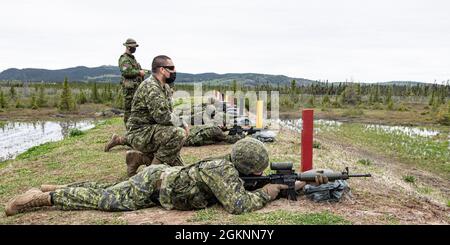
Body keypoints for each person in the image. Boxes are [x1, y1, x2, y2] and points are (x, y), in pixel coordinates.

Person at [5, 138, 328, 216]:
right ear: (245, 165)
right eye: (257, 170)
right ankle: (42, 198)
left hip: (163, 176)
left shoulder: (231, 168)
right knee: (109, 200)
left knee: (107, 189)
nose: (259, 175)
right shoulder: (221, 170)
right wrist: (271, 191)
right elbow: (238, 206)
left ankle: (59, 186)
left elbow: (244, 186)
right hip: (154, 185)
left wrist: (296, 182)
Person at [123, 55, 188, 176]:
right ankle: (151, 176)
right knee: (178, 134)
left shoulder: (165, 87)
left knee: (182, 172)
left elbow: (169, 112)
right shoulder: (151, 86)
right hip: (140, 133)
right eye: (172, 68)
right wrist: (182, 124)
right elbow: (162, 117)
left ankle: (138, 158)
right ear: (162, 69)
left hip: (152, 131)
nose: (174, 71)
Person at [104, 38, 147, 152]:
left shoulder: (132, 59)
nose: (135, 49)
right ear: (128, 47)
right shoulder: (124, 59)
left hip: (136, 90)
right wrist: (139, 72)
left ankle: (131, 137)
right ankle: (129, 137)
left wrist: (142, 72)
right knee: (129, 113)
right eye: (133, 47)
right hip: (129, 92)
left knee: (136, 113)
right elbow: (126, 72)